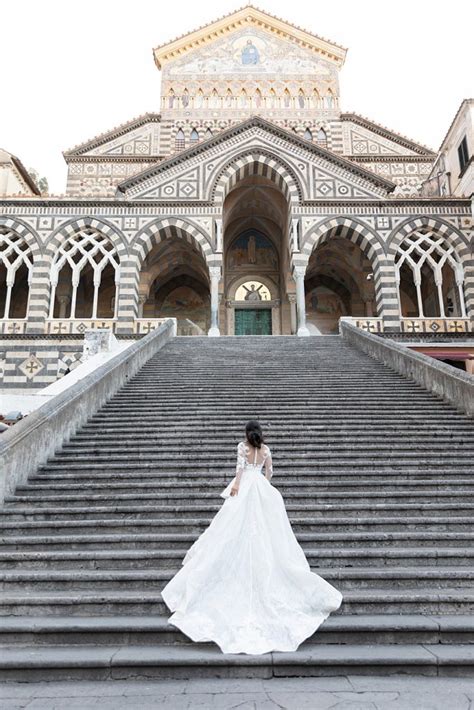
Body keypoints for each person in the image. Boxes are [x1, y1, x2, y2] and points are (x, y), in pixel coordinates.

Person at [162, 420, 342, 654]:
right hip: (259, 486)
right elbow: (270, 471)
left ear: (247, 433)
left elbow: (239, 470)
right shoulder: (265, 450)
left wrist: (237, 486)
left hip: (246, 484)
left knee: (231, 527)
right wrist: (263, 486)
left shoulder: (242, 447)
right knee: (266, 531)